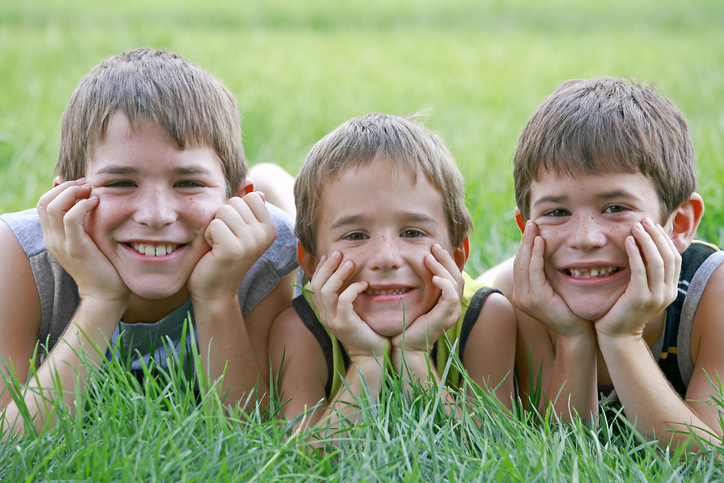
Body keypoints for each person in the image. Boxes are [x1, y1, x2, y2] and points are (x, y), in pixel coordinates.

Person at [0, 48, 298, 435]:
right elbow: (11, 443)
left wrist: (217, 297)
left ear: (236, 199)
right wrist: (100, 299)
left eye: (188, 183)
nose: (156, 215)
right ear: (67, 195)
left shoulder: (263, 250)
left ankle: (275, 184)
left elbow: (252, 433)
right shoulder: (18, 256)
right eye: (121, 183)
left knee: (296, 217)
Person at [491, 77, 723, 450]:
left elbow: (708, 460)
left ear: (679, 224)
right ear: (526, 229)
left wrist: (621, 337)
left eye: (616, 208)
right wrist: (571, 338)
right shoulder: (516, 301)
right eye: (556, 212)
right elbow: (562, 453)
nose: (584, 238)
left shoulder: (712, 295)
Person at [269, 113, 516, 431]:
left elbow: (492, 449)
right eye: (356, 235)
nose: (386, 258)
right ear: (312, 263)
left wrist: (415, 356)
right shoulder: (299, 330)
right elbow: (302, 461)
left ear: (457, 256)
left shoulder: (487, 317)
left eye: (413, 233)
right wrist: (365, 361)